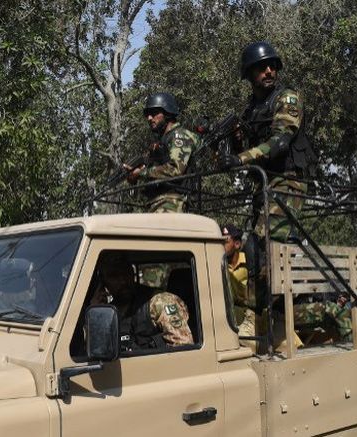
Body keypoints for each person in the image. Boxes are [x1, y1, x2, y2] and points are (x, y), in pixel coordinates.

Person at [220, 41, 317, 242]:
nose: (269, 71)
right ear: (249, 73)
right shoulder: (251, 109)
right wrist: (236, 142)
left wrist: (240, 158)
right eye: (262, 67)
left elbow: (280, 142)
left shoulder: (287, 98)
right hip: (264, 182)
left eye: (272, 66)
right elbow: (250, 150)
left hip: (287, 179)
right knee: (254, 248)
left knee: (269, 244)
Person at [90, 252, 193, 350]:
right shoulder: (106, 312)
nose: (122, 280)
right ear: (103, 282)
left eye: (126, 272)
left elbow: (184, 349)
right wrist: (96, 314)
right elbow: (98, 350)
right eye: (114, 276)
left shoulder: (159, 302)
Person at [126, 92, 200, 213]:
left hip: (173, 202)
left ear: (168, 113)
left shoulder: (180, 136)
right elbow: (152, 173)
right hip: (157, 202)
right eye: (147, 114)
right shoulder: (161, 142)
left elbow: (175, 169)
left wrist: (142, 173)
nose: (149, 118)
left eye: (154, 113)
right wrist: (133, 175)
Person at [222, 225, 256, 350]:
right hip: (232, 315)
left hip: (250, 316)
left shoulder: (250, 262)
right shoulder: (219, 264)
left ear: (237, 244)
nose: (221, 245)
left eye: (225, 241)